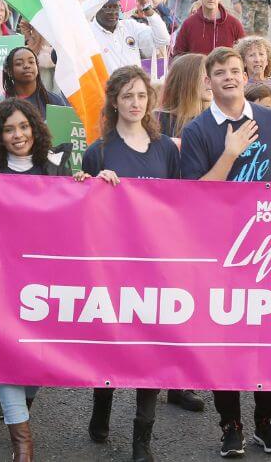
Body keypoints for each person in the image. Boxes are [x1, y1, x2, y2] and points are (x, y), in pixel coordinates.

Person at [178, 48, 271, 455]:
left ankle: (266, 423)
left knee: (269, 340)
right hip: (220, 250)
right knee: (226, 342)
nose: (231, 78)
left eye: (236, 70)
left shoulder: (270, 119)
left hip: (269, 248)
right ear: (209, 81)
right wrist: (231, 151)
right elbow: (197, 194)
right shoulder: (199, 129)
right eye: (221, 73)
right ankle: (229, 426)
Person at [0, 98, 89, 460]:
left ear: (35, 128)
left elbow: (77, 217)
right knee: (8, 355)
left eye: (23, 127)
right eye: (9, 129)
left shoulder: (58, 165)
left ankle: (18, 405)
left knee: (39, 358)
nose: (18, 135)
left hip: (46, 281)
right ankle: (22, 445)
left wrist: (86, 185)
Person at [78, 66, 181, 462]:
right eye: (127, 97)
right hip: (113, 265)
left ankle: (143, 440)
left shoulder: (166, 149)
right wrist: (91, 185)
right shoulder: (99, 151)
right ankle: (100, 408)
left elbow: (180, 205)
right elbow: (80, 209)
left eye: (141, 95)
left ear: (149, 100)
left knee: (150, 349)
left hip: (155, 265)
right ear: (114, 102)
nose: (135, 103)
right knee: (112, 344)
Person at [83, 0, 170, 72]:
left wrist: (146, 6)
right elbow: (79, 15)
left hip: (134, 85)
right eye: (107, 7)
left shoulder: (130, 26)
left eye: (116, 6)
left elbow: (163, 39)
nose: (113, 12)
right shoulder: (88, 31)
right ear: (96, 8)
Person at [0, 46, 69, 118]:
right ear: (9, 71)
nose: (26, 66)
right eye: (19, 63)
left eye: (31, 62)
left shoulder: (55, 101)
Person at [171, 0, 246, 57]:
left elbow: (244, 55)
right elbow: (178, 55)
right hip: (198, 72)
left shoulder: (234, 24)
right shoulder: (189, 24)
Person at [155, 53, 211, 139]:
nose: (212, 82)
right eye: (206, 77)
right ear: (188, 81)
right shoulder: (157, 120)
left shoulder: (213, 120)